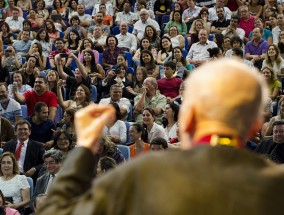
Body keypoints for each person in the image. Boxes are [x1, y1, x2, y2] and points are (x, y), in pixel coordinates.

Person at [40, 58, 284, 215]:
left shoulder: (145, 174)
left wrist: (84, 146)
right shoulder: (275, 184)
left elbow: (54, 211)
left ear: (187, 121)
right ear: (256, 125)